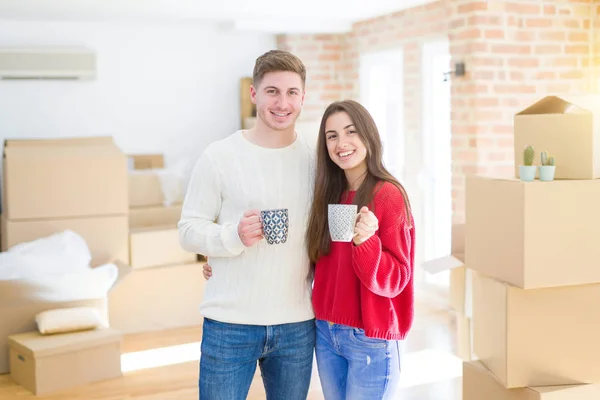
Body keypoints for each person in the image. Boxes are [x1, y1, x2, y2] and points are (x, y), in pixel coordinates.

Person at [204, 99, 416, 399]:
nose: (342, 143)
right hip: (327, 333)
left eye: (351, 132)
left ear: (368, 135)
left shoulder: (388, 195)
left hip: (369, 337)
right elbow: (313, 257)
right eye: (332, 136)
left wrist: (366, 242)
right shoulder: (329, 193)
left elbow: (396, 279)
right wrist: (225, 263)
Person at [178, 49, 316, 400]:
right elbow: (189, 229)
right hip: (229, 324)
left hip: (297, 324)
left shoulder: (317, 159)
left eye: (291, 92)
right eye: (272, 91)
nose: (282, 103)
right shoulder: (219, 156)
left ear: (303, 97)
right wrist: (232, 236)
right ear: (254, 94)